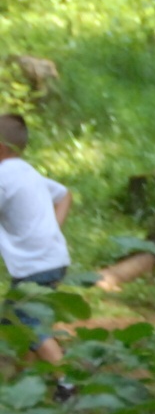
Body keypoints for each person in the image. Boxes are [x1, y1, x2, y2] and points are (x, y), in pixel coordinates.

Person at [0, 113, 73, 363]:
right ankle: (25, 377)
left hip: (35, 267)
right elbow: (64, 195)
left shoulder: (3, 177)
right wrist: (54, 229)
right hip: (52, 260)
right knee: (12, 323)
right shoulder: (26, 172)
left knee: (27, 323)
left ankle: (66, 377)